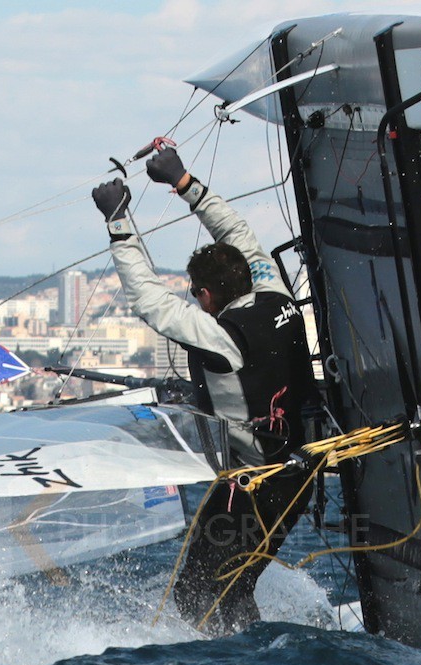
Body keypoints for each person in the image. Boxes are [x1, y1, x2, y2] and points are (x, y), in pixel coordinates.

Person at [92, 147, 319, 633]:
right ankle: (258, 658)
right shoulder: (275, 289)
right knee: (232, 588)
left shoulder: (223, 336)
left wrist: (118, 223)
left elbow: (151, 302)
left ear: (206, 296)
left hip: (255, 487)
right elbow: (236, 234)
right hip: (299, 477)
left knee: (197, 594)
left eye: (197, 293)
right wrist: (183, 181)